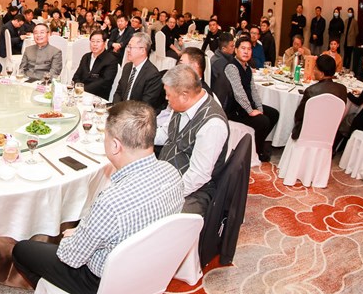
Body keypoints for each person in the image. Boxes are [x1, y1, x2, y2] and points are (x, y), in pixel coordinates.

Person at [12, 101, 183, 294]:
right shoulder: (173, 174)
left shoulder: (112, 202)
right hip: (151, 271)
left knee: (22, 250)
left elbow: (71, 257)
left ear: (115, 145)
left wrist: (73, 236)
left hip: (105, 285)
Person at [156, 64, 229, 216]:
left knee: (157, 216)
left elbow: (199, 175)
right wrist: (137, 138)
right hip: (167, 173)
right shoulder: (181, 105)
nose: (166, 98)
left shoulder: (212, 124)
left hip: (195, 190)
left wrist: (166, 195)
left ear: (184, 95)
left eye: (168, 95)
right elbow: (165, 133)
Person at [223, 37, 279, 162]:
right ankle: (258, 151)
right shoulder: (232, 67)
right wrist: (250, 110)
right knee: (263, 121)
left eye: (249, 49)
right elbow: (238, 93)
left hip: (246, 106)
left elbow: (253, 90)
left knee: (273, 114)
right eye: (243, 48)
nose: (246, 52)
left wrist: (259, 108)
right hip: (235, 110)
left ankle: (257, 142)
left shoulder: (247, 67)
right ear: (236, 50)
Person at [290, 55, 347, 140]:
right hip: (330, 134)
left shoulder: (311, 91)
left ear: (321, 74)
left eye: (315, 68)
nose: (313, 70)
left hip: (308, 133)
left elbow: (299, 116)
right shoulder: (342, 89)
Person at [112, 32, 165, 112]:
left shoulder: (152, 75)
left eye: (131, 47)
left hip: (136, 115)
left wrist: (124, 113)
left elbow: (145, 105)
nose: (128, 50)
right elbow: (119, 92)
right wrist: (117, 109)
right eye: (128, 47)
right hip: (120, 111)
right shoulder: (127, 67)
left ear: (142, 50)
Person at [71, 30, 119, 99]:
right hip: (80, 95)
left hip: (98, 98)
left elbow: (104, 82)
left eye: (98, 41)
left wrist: (83, 90)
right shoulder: (86, 57)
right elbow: (76, 76)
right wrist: (78, 88)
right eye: (92, 41)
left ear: (105, 43)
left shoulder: (111, 60)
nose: (95, 44)